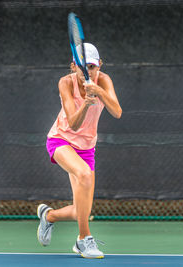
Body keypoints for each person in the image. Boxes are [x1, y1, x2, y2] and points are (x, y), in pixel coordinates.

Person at [37, 43, 122, 259]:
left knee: (80, 211)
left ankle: (49, 216)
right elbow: (73, 125)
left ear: (99, 65)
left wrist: (99, 91)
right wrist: (86, 103)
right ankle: (84, 240)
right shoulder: (65, 82)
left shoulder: (103, 80)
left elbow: (117, 112)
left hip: (86, 148)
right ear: (73, 66)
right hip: (60, 140)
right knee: (83, 174)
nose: (88, 72)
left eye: (92, 67)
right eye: (83, 67)